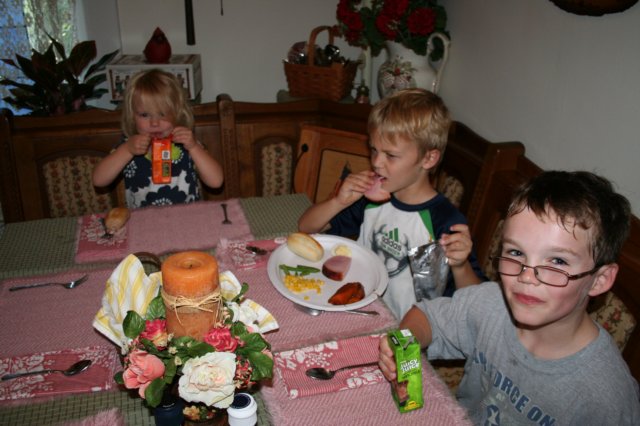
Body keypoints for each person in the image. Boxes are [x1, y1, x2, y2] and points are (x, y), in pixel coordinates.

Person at [378, 171, 640, 425]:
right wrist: (404, 343)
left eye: (557, 261)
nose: (526, 276)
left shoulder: (608, 398)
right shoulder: (491, 303)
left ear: (599, 279)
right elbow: (427, 316)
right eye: (516, 253)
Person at [297, 88, 484, 319]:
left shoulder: (444, 221)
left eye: (391, 155)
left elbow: (476, 303)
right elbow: (306, 228)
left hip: (408, 332)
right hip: (359, 310)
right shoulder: (372, 200)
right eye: (374, 150)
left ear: (428, 158)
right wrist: (337, 202)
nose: (377, 162)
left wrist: (461, 265)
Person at [93, 69, 223, 208]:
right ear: (132, 116)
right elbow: (99, 180)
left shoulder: (187, 143)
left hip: (186, 218)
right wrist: (126, 150)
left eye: (162, 114)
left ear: (178, 113)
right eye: (144, 115)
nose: (154, 123)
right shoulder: (128, 146)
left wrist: (194, 147)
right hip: (143, 219)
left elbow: (216, 182)